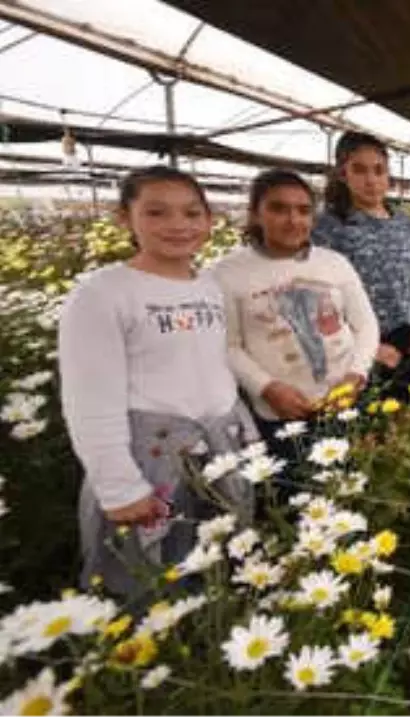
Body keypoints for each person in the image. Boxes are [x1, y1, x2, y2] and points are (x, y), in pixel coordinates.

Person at [59, 166, 255, 600]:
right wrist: (119, 485)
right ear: (124, 218)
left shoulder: (207, 286)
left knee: (217, 560)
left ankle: (210, 645)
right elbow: (88, 398)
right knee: (149, 570)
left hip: (218, 448)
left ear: (208, 221)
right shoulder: (102, 293)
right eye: (156, 212)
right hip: (150, 461)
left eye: (191, 213)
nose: (178, 225)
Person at [211, 170, 379, 486]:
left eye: (303, 210)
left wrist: (356, 374)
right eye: (278, 208)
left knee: (348, 484)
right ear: (255, 214)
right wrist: (267, 388)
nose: (293, 220)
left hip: (342, 401)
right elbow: (227, 345)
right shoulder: (227, 273)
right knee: (292, 489)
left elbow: (365, 325)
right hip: (280, 412)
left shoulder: (333, 263)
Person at [312, 131, 410, 403]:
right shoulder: (329, 227)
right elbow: (318, 296)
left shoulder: (405, 224)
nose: (371, 180)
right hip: (357, 340)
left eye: (379, 170)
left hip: (408, 334)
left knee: (400, 409)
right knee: (364, 422)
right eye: (360, 170)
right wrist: (367, 348)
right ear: (343, 174)